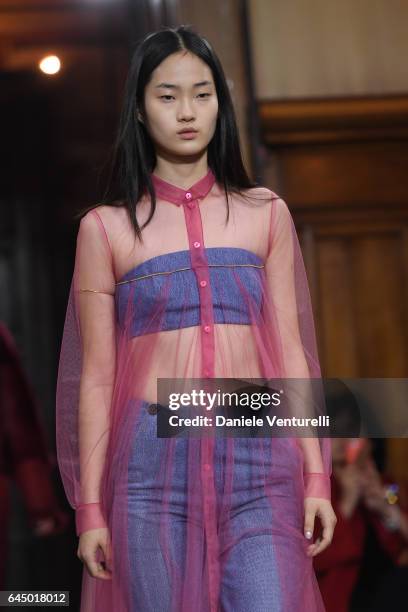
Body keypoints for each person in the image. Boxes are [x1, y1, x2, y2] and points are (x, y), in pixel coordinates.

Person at [56, 25, 336, 612]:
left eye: (202, 93)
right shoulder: (105, 229)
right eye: (167, 95)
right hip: (152, 474)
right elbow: (97, 379)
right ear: (138, 109)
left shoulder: (265, 214)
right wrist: (90, 509)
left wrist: (316, 475)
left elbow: (290, 352)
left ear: (220, 102)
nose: (187, 111)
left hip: (260, 456)